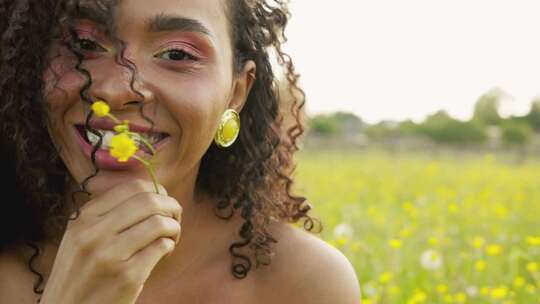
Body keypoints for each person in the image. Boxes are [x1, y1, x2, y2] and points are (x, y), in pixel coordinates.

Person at [0, 0, 361, 303]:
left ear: (236, 92)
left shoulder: (302, 283)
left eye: (176, 53)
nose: (116, 89)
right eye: (83, 45)